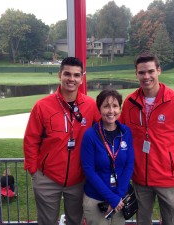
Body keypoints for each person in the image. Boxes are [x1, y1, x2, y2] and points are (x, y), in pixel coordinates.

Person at [120, 53, 174, 225]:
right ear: (136, 74)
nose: (146, 76)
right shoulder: (130, 102)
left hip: (169, 177)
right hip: (141, 177)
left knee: (172, 221)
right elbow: (119, 132)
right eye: (141, 72)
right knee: (143, 220)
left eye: (150, 71)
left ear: (159, 71)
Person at [23, 57, 101, 225]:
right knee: (47, 222)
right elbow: (31, 139)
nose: (71, 79)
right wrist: (33, 170)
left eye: (76, 75)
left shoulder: (91, 105)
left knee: (76, 221)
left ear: (82, 78)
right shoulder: (42, 106)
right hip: (47, 178)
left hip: (79, 178)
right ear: (59, 75)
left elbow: (103, 134)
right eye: (67, 74)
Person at [80, 89, 134, 225]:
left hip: (120, 199)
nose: (111, 111)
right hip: (96, 199)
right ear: (99, 109)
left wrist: (118, 197)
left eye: (115, 106)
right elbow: (89, 171)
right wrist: (111, 198)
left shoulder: (126, 132)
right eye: (106, 106)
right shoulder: (90, 135)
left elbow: (129, 165)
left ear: (119, 108)